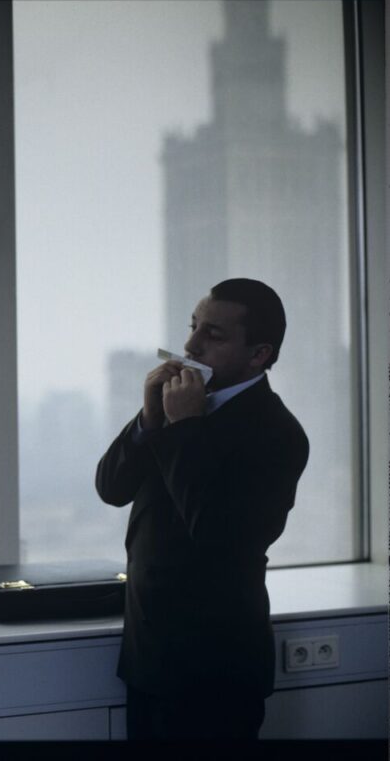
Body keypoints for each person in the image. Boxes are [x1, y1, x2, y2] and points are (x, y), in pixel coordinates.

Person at [95, 278, 309, 740]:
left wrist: (182, 429)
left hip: (216, 671)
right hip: (148, 659)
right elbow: (111, 488)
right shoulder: (175, 409)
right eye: (193, 327)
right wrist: (149, 421)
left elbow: (219, 537)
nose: (190, 345)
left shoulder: (278, 433)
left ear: (259, 354)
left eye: (213, 335)